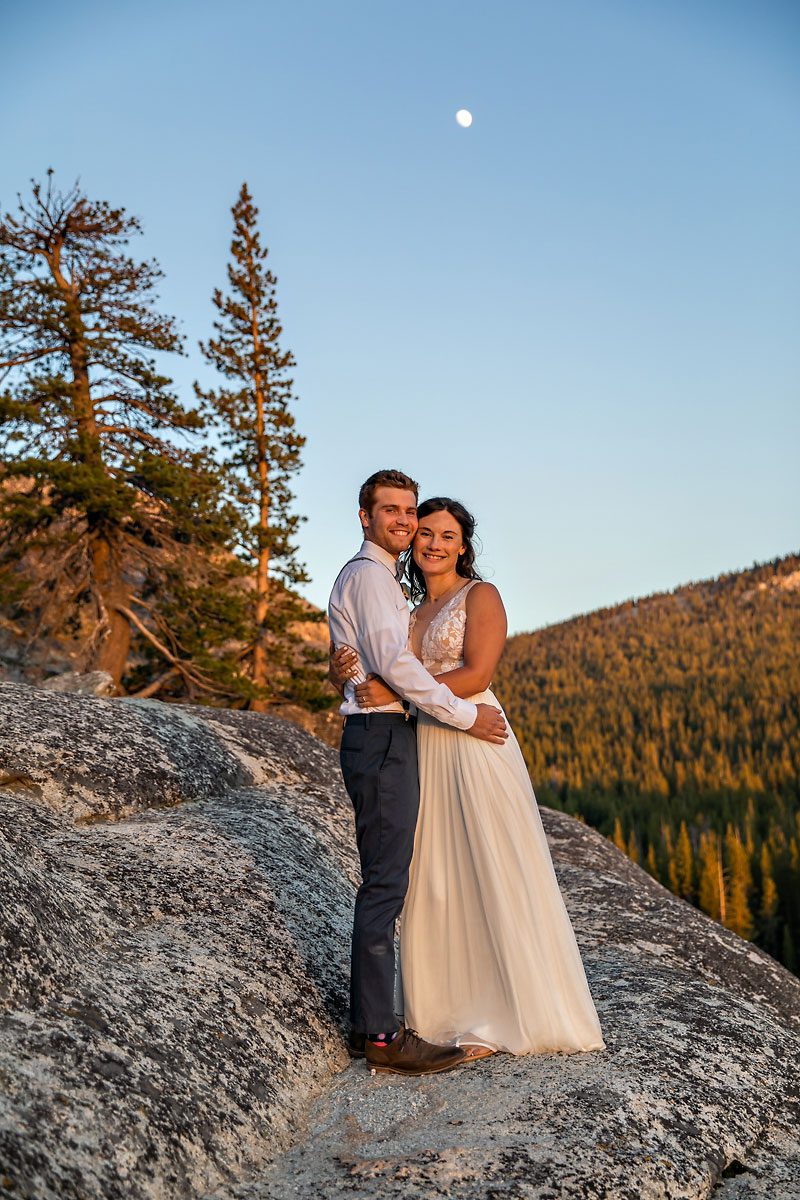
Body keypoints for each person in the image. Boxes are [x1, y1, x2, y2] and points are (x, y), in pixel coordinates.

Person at [331, 496, 605, 1057]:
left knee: (495, 863)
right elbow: (375, 667)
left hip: (475, 738)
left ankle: (516, 1008)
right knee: (437, 876)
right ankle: (447, 1008)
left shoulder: (480, 596)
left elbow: (479, 671)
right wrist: (344, 665)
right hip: (425, 742)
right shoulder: (404, 608)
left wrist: (400, 689)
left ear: (463, 545)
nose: (433, 543)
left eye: (447, 536)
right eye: (425, 532)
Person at [327, 470, 508, 1077]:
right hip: (386, 738)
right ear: (365, 516)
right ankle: (379, 1035)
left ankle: (380, 1022)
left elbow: (373, 668)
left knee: (400, 880)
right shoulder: (374, 578)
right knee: (386, 886)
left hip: (400, 736)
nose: (408, 525)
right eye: (397, 513)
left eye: (414, 513)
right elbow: (399, 671)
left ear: (463, 543)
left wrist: (348, 673)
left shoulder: (378, 581)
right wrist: (464, 716)